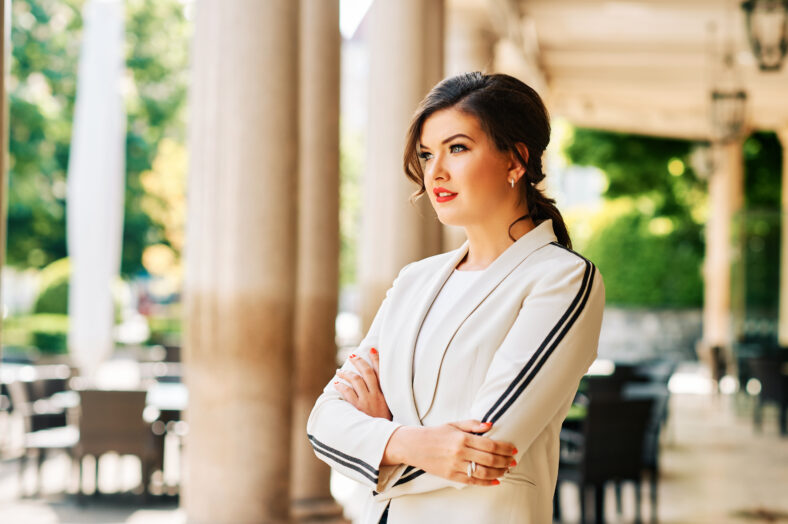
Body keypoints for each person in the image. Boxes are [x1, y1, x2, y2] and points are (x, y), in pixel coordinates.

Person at [306, 72, 605, 524]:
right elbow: (323, 422)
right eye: (427, 154)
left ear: (516, 160)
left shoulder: (561, 279)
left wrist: (374, 435)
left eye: (458, 148)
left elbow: (482, 451)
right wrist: (409, 442)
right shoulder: (414, 281)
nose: (435, 172)